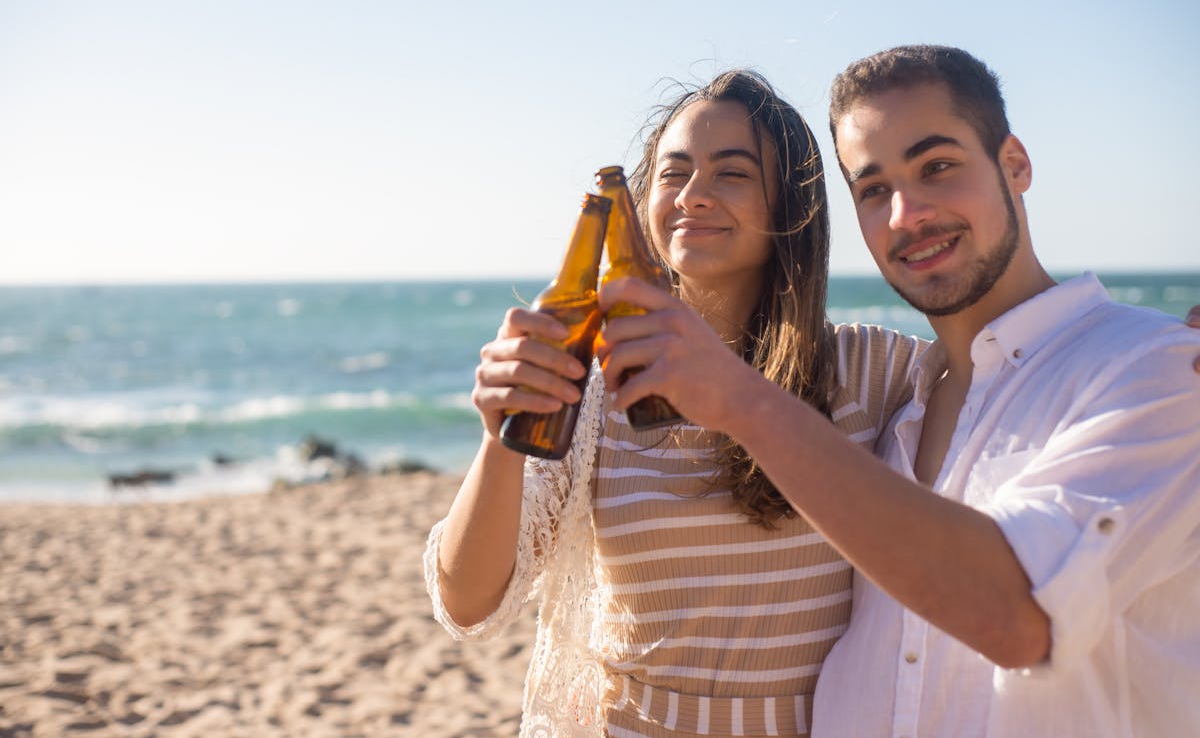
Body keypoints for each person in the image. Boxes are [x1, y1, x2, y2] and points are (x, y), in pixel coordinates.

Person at [596, 46, 1200, 737]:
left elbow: (1018, 613)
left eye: (937, 166)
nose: (906, 213)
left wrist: (742, 398)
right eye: (873, 188)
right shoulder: (898, 395)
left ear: (1015, 164)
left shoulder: (1158, 371)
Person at [424, 69, 926, 738]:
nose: (694, 195)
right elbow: (466, 603)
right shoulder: (596, 390)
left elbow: (1007, 374)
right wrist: (500, 438)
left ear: (790, 206)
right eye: (674, 172)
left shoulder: (871, 371)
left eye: (732, 173)